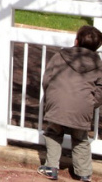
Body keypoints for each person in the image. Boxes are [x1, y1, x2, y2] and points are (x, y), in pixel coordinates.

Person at [37, 25, 102, 181]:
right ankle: (84, 174)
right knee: (80, 139)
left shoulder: (60, 55)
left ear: (76, 41)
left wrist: (51, 96)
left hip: (57, 102)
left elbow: (47, 78)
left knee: (54, 133)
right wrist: (92, 103)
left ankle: (51, 168)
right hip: (83, 107)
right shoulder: (98, 64)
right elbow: (100, 89)